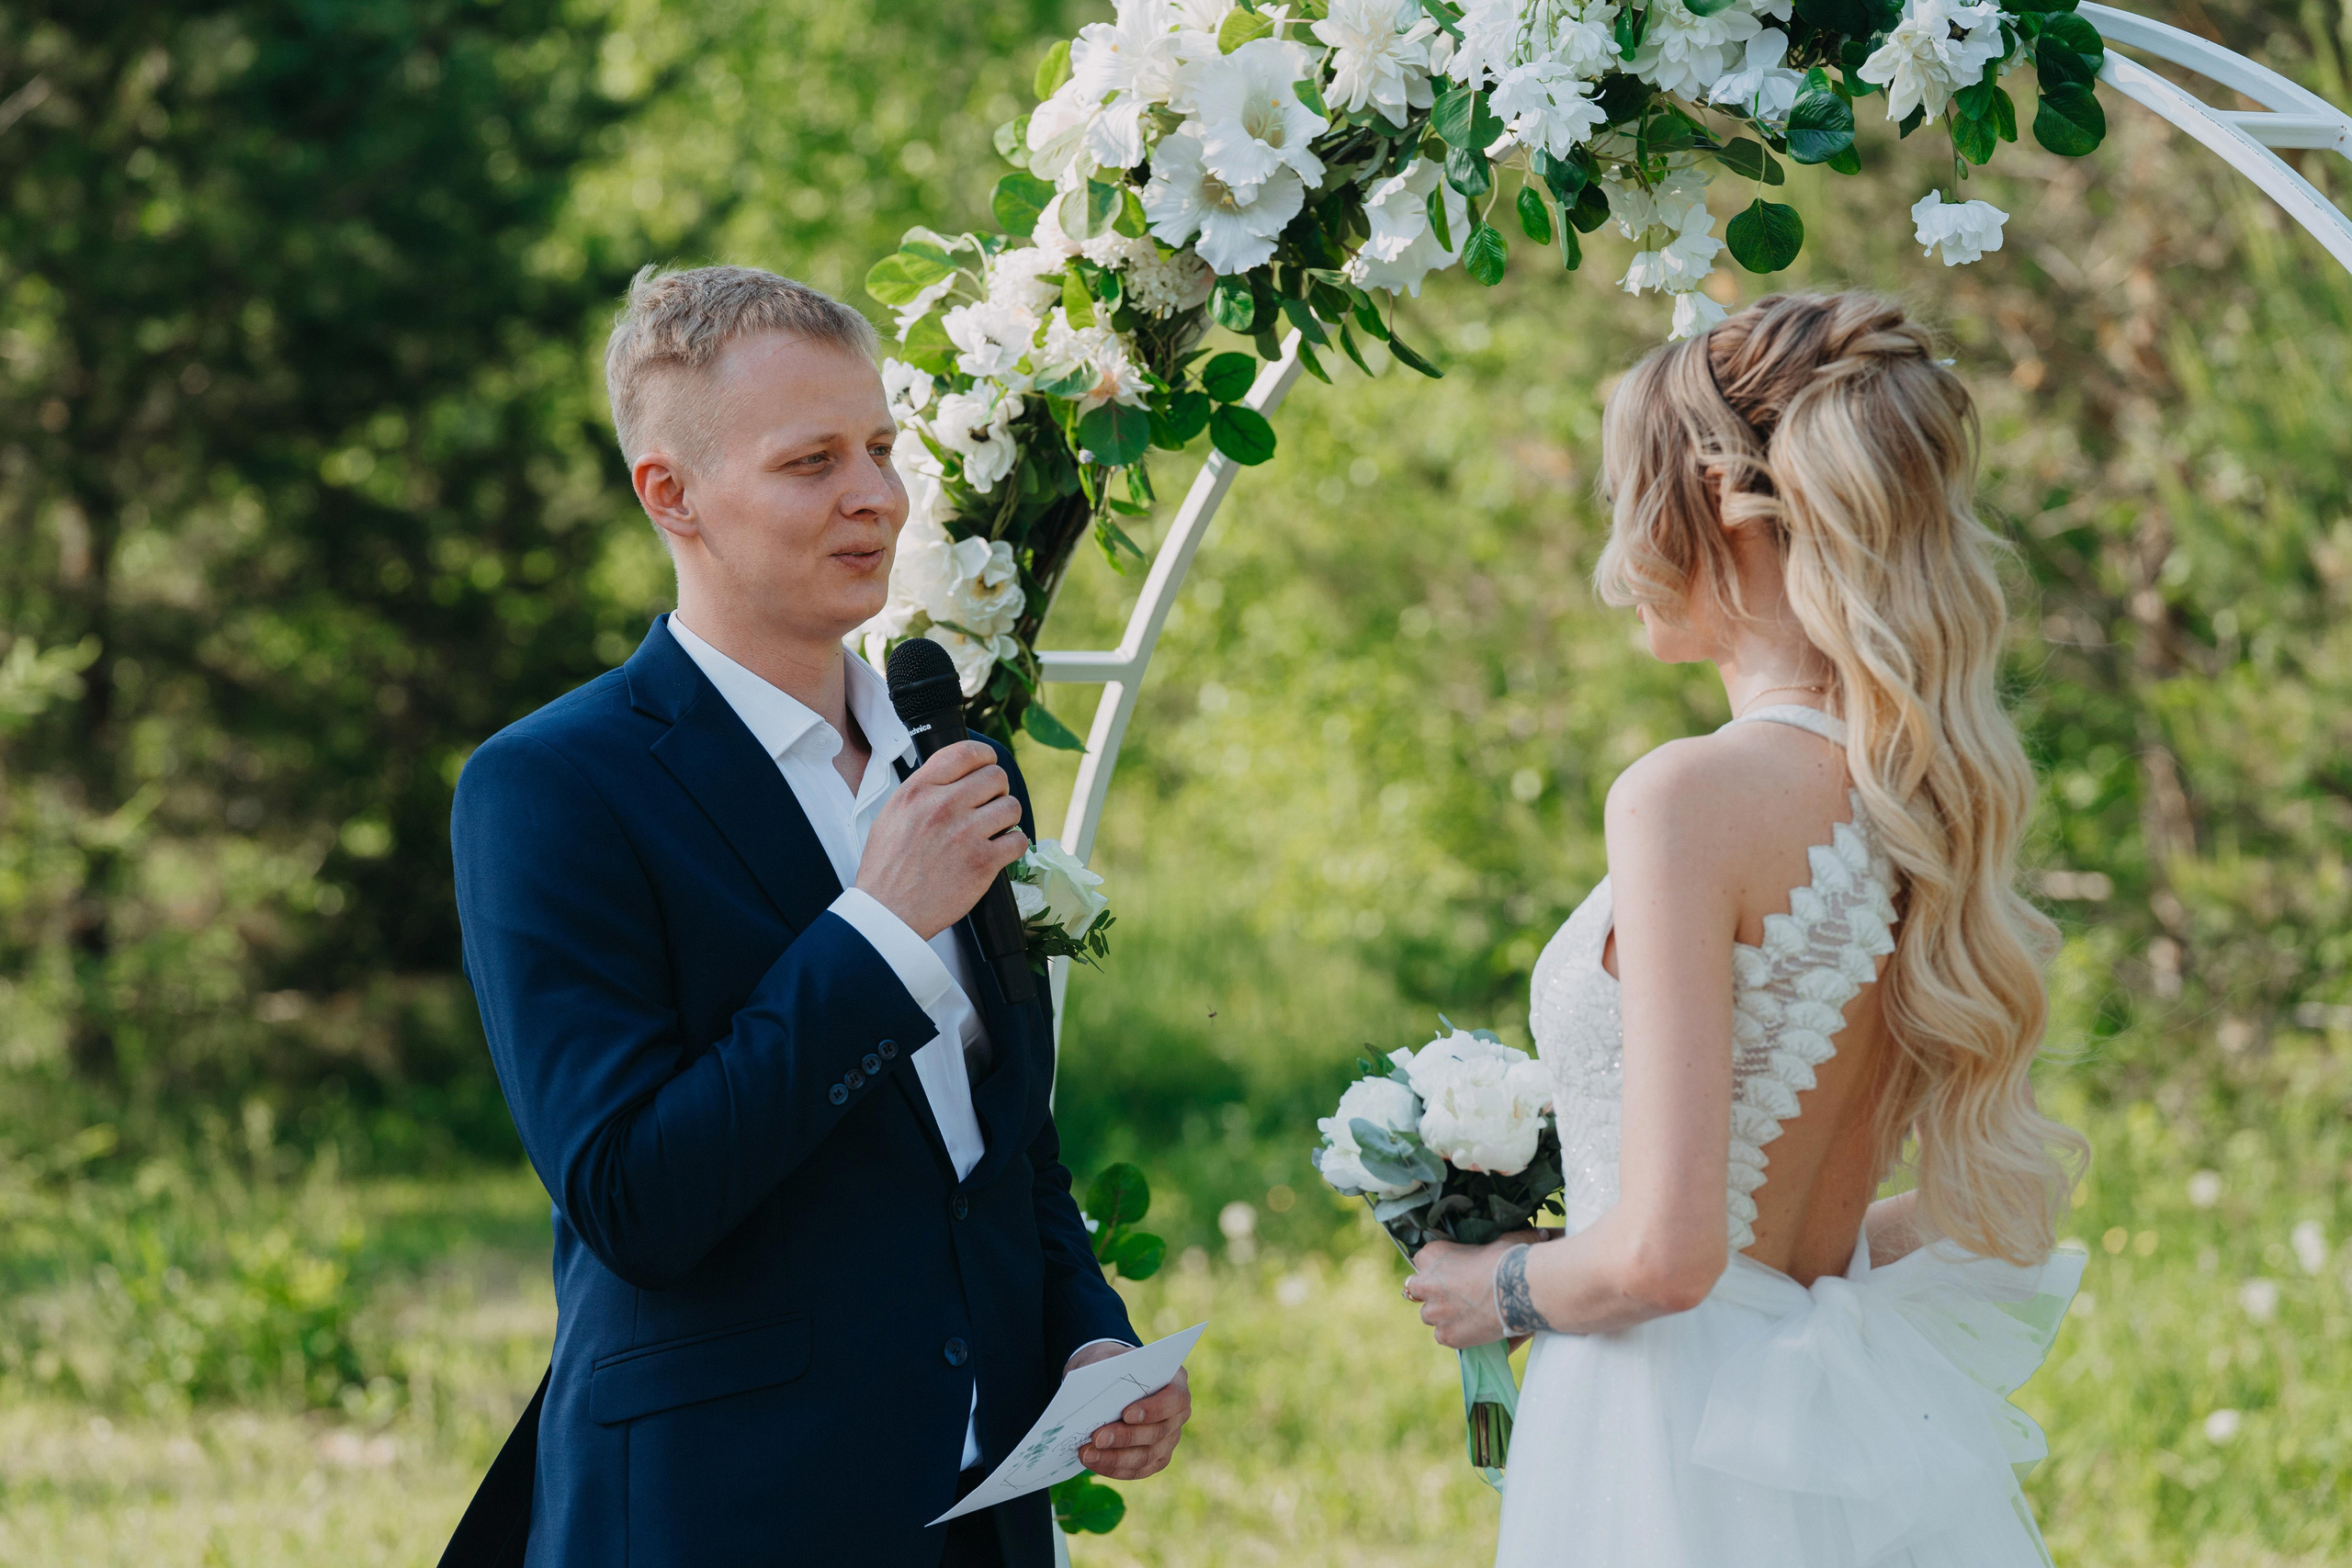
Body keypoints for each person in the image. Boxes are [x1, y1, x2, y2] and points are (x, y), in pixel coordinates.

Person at [448, 264, 1188, 1568]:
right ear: (668, 495)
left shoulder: (954, 756)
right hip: (724, 1509)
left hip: (981, 1506)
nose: (879, 497)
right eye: (811, 462)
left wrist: (1087, 1330)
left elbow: (1000, 1138)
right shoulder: (553, 789)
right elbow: (635, 1197)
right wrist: (879, 931)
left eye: (884, 448)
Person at [1401, 292, 2088, 1566]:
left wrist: (1492, 1288)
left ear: (1716, 502)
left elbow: (1669, 1255)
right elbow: (1921, 1219)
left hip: (1663, 1419)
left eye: (1629, 496)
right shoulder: (1924, 802)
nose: (1616, 551)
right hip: (1825, 1403)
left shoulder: (1686, 799)